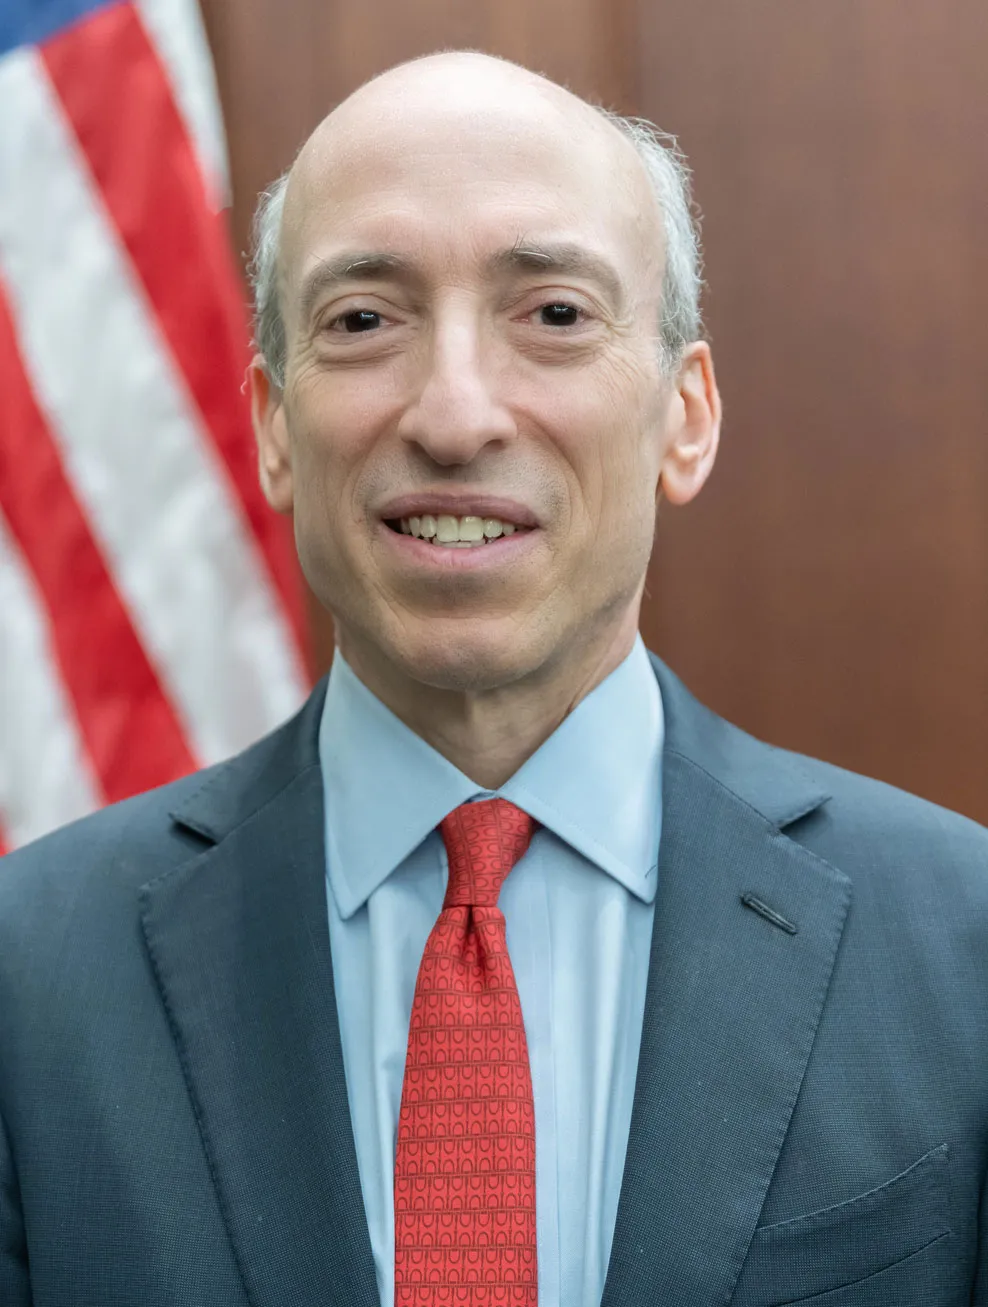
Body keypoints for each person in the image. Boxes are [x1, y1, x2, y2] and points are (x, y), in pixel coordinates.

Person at [1, 49, 986, 1307]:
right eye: (364, 320)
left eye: (554, 314)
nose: (456, 413)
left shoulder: (963, 949)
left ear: (685, 417)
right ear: (269, 428)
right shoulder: (29, 979)